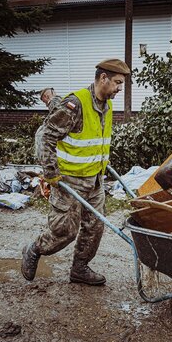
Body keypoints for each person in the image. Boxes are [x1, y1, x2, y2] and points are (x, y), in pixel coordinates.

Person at [22, 59, 131, 286]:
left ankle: (79, 269)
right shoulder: (76, 104)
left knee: (95, 227)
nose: (120, 88)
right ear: (103, 78)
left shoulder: (106, 105)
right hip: (69, 181)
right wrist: (51, 174)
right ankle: (35, 249)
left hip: (95, 180)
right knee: (64, 232)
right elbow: (47, 137)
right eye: (117, 83)